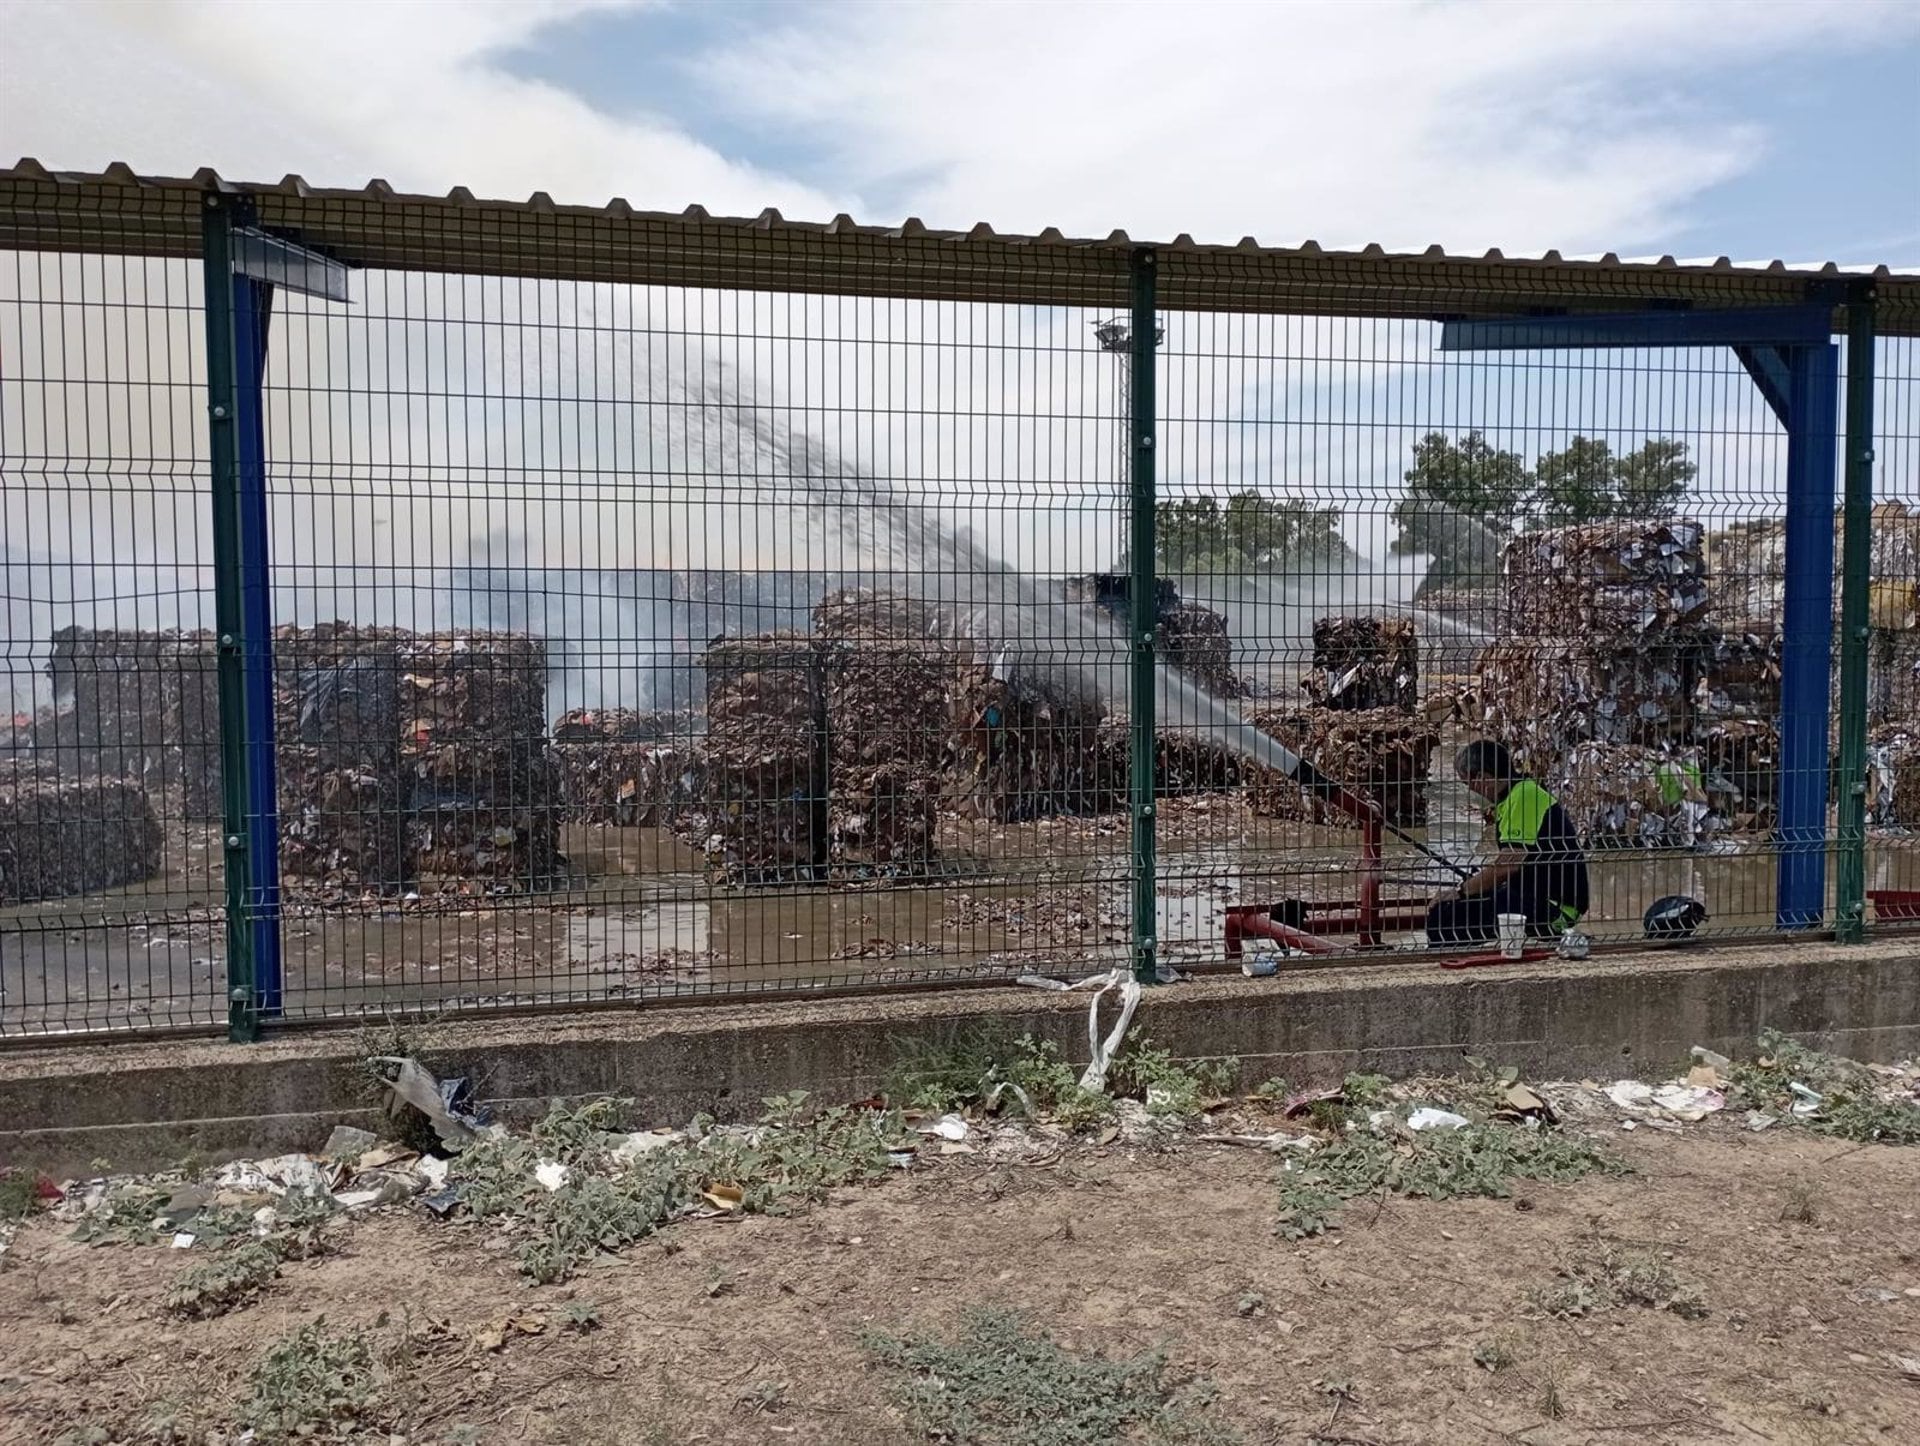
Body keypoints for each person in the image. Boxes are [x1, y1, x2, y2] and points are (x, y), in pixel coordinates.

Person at [1425, 739, 1590, 948]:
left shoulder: (1524, 797)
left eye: (1467, 783)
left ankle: (1449, 965)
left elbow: (1508, 865)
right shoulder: (1515, 795)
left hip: (1555, 909)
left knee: (1447, 916)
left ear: (1483, 778)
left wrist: (1461, 891)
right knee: (1457, 909)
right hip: (1531, 896)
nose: (1471, 791)